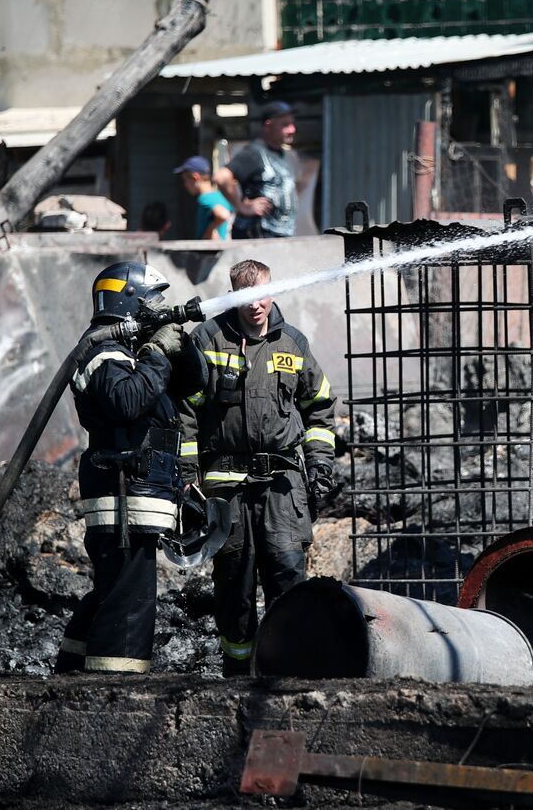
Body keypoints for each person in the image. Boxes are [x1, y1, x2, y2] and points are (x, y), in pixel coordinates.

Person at [179, 258, 338, 676]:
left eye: (263, 295)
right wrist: (185, 476)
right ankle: (237, 676)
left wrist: (321, 462)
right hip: (226, 490)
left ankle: (289, 672)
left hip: (283, 489)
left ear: (273, 292)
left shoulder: (293, 343)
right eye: (247, 298)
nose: (256, 306)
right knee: (234, 586)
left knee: (288, 577)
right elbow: (185, 413)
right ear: (234, 296)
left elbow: (319, 408)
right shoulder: (207, 339)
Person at [56, 262, 200, 674]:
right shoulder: (102, 351)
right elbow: (127, 403)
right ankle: (114, 690)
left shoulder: (133, 352)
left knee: (113, 589)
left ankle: (73, 672)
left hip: (139, 494)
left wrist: (177, 340)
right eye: (153, 301)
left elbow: (193, 381)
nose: (160, 306)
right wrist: (156, 354)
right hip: (122, 495)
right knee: (130, 598)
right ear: (130, 301)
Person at [217, 101, 298, 239]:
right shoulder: (254, 153)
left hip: (280, 238)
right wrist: (241, 207)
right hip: (257, 238)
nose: (292, 129)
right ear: (269, 125)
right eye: (285, 125)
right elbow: (221, 177)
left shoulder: (281, 154)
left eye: (292, 124)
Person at [174, 155, 233, 241]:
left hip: (210, 252)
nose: (185, 185)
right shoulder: (220, 196)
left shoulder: (205, 198)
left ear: (195, 177)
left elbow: (223, 215)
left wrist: (210, 231)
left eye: (185, 180)